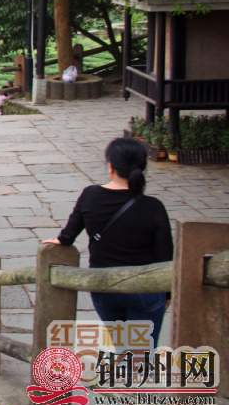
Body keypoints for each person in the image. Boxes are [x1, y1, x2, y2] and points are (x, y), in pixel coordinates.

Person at [43, 138, 173, 363]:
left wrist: (59, 240)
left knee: (122, 347)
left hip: (104, 286)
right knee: (142, 355)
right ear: (142, 168)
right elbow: (165, 255)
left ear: (111, 166)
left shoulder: (90, 195)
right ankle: (134, 381)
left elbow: (68, 235)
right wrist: (168, 294)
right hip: (145, 289)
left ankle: (124, 378)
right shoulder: (153, 207)